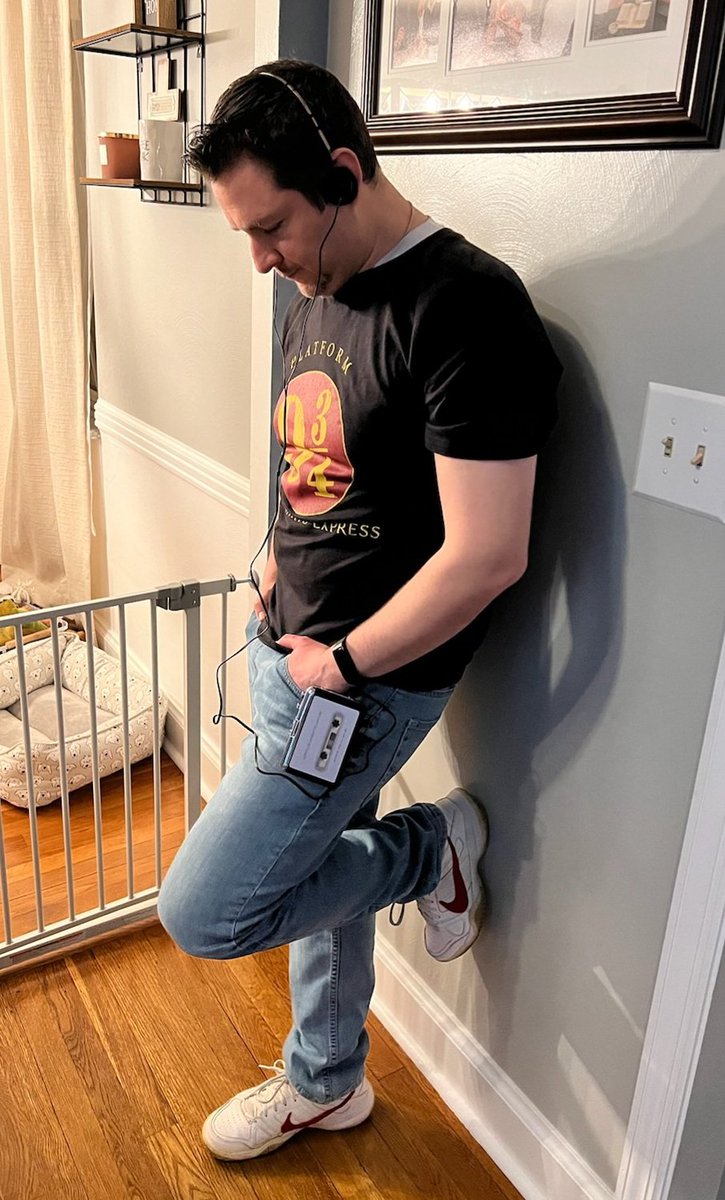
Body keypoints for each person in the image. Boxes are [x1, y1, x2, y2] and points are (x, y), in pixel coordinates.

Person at [157, 58, 562, 1163]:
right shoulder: (316, 283)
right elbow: (320, 455)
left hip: (358, 684)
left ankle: (429, 849)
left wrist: (338, 666)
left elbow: (486, 555)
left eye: (272, 226)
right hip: (291, 648)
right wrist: (270, 569)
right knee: (310, 869)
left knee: (209, 911)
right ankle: (327, 1083)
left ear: (341, 173)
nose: (260, 258)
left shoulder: (468, 308)